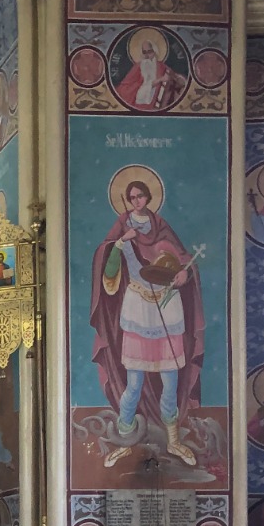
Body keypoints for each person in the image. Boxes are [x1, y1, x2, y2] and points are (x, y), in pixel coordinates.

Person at [90, 179, 203, 468]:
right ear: (127, 200)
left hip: (168, 309)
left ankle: (173, 441)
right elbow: (108, 268)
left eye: (141, 195)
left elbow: (184, 261)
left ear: (149, 197)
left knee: (170, 381)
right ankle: (125, 441)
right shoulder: (123, 229)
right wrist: (120, 242)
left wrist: (184, 274)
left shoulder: (161, 228)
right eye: (132, 197)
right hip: (138, 309)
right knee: (134, 383)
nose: (137, 200)